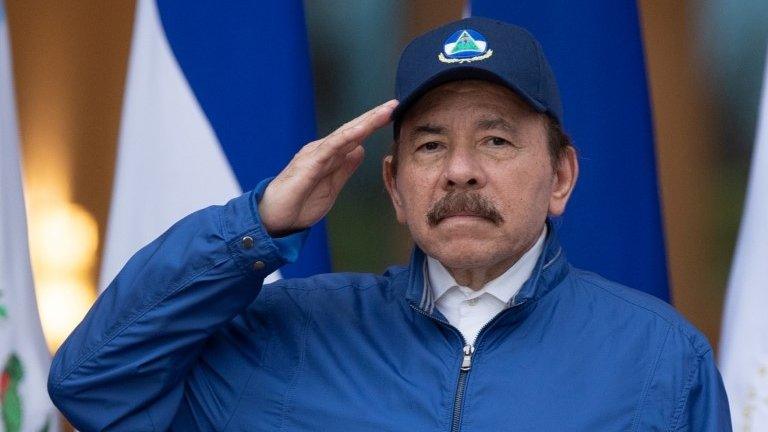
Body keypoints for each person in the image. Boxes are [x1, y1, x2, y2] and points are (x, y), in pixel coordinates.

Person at [48, 17, 731, 431]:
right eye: (430, 145)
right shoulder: (284, 337)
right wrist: (254, 225)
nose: (460, 170)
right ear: (395, 189)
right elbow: (92, 383)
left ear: (560, 177)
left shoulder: (661, 360)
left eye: (495, 141)